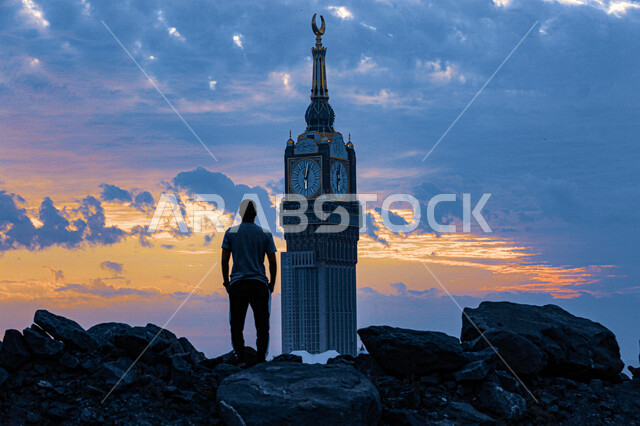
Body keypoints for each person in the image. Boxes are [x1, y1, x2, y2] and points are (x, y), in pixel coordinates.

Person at [221, 200, 277, 367]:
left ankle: (241, 358)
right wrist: (272, 283)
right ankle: (260, 359)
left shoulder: (231, 233)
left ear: (240, 213)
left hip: (238, 284)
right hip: (259, 284)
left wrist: (226, 282)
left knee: (237, 324)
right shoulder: (265, 234)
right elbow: (272, 261)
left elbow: (224, 261)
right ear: (256, 214)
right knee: (262, 325)